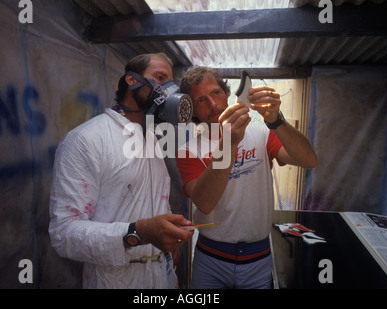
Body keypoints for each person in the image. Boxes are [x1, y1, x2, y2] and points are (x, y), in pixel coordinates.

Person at [49, 53, 194, 289]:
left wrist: (166, 239)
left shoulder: (151, 138)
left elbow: (154, 200)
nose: (168, 90)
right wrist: (138, 233)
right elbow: (63, 233)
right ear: (131, 80)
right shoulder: (86, 140)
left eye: (171, 82)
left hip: (163, 275)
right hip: (115, 280)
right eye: (159, 78)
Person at [176, 67, 318, 289]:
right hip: (211, 259)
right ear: (193, 111)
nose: (213, 105)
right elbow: (204, 203)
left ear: (227, 93)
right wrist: (229, 143)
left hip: (258, 258)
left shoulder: (261, 133)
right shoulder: (188, 150)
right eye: (201, 100)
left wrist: (276, 121)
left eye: (215, 93)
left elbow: (309, 160)